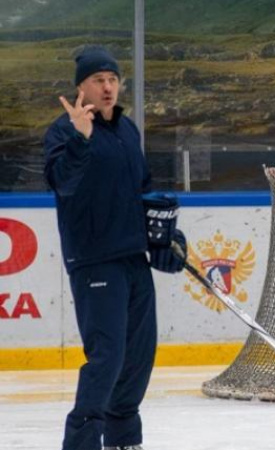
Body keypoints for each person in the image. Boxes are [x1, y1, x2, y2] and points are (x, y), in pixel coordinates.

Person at [43, 46, 188, 450]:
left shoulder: (127, 131)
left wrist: (165, 235)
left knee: (138, 358)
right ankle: (82, 443)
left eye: (112, 79)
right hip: (94, 261)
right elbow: (63, 183)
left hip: (131, 258)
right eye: (97, 80)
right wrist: (80, 139)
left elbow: (141, 188)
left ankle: (124, 441)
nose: (107, 87)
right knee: (106, 360)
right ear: (81, 87)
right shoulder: (63, 131)